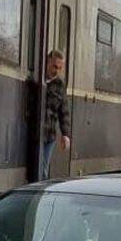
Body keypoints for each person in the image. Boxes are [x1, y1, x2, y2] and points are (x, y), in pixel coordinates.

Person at [41, 50, 72, 180]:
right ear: (47, 62)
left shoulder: (60, 85)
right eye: (54, 66)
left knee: (43, 169)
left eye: (59, 68)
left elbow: (63, 110)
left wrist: (65, 134)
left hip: (49, 135)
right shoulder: (39, 77)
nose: (56, 71)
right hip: (36, 132)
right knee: (40, 168)